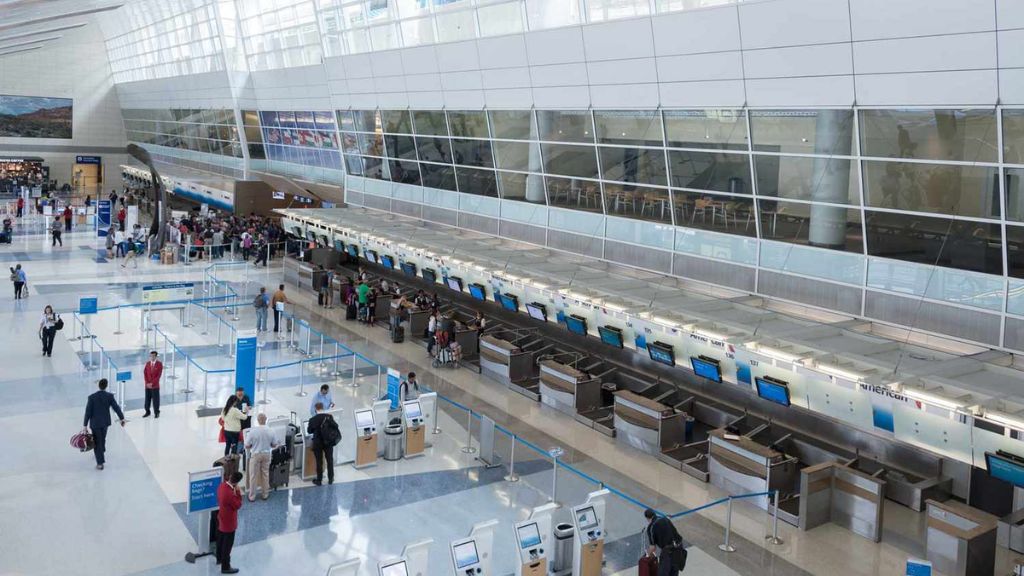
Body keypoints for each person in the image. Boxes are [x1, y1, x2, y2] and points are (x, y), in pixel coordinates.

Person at [82, 378, 126, 470]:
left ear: (99, 386)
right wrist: (122, 418)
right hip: (105, 422)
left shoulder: (92, 397)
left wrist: (85, 425)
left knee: (97, 442)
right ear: (106, 386)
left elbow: (88, 412)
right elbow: (116, 408)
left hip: (95, 423)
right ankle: (101, 451)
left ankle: (100, 463)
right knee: (102, 438)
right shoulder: (109, 396)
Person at [243, 413, 280, 502]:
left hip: (256, 455)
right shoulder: (271, 431)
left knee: (253, 476)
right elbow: (274, 444)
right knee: (265, 474)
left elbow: (246, 445)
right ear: (266, 420)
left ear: (258, 421)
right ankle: (265, 494)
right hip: (267, 454)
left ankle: (252, 496)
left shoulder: (253, 431)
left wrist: (253, 446)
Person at [216, 471, 243, 574]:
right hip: (229, 523)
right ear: (236, 482)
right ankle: (225, 566)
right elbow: (238, 505)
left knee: (220, 540)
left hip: (221, 518)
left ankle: (219, 558)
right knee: (227, 545)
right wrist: (239, 493)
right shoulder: (230, 494)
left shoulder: (222, 486)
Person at [644, 508, 686, 575]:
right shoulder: (665, 519)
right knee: (674, 572)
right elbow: (667, 518)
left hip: (669, 552)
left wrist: (647, 554)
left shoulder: (651, 527)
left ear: (647, 518)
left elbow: (653, 548)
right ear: (654, 514)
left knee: (663, 573)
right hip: (679, 548)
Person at [306, 402, 337, 485]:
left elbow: (309, 431)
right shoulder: (329, 417)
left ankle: (319, 480)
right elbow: (335, 426)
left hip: (318, 443)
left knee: (319, 461)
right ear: (323, 408)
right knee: (329, 460)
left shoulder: (313, 419)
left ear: (316, 409)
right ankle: (331, 478)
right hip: (328, 442)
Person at [143, 350, 163, 418]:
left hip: (155, 386)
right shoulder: (148, 363)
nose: (152, 357)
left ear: (156, 356)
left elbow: (158, 376)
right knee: (147, 400)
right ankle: (147, 412)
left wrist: (152, 383)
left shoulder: (159, 364)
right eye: (151, 356)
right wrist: (147, 383)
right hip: (147, 386)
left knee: (155, 400)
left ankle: (156, 412)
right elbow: (145, 373)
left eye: (153, 356)